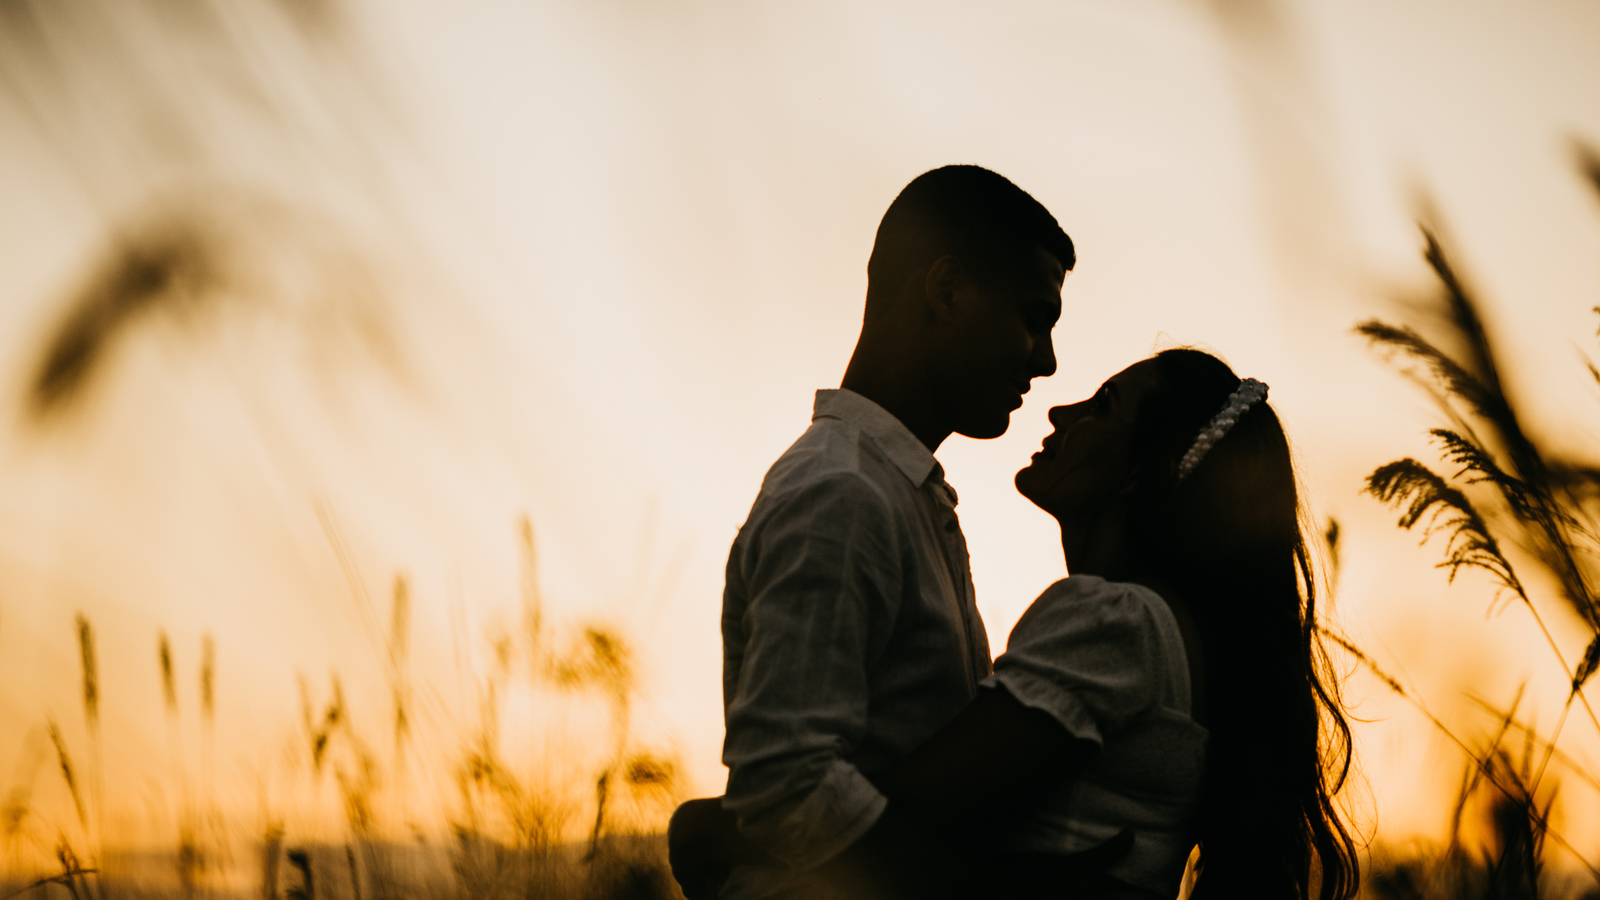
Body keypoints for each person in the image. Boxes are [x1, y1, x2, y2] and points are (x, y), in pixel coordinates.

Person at [673, 348, 1361, 900]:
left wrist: (717, 826)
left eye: (1103, 407)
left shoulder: (1113, 623)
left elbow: (905, 811)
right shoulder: (1173, 633)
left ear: (1139, 472)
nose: (1061, 409)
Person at [696, 165, 1075, 900]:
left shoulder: (898, 494)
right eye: (1035, 318)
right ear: (947, 291)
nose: (1047, 360)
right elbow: (786, 783)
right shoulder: (842, 494)